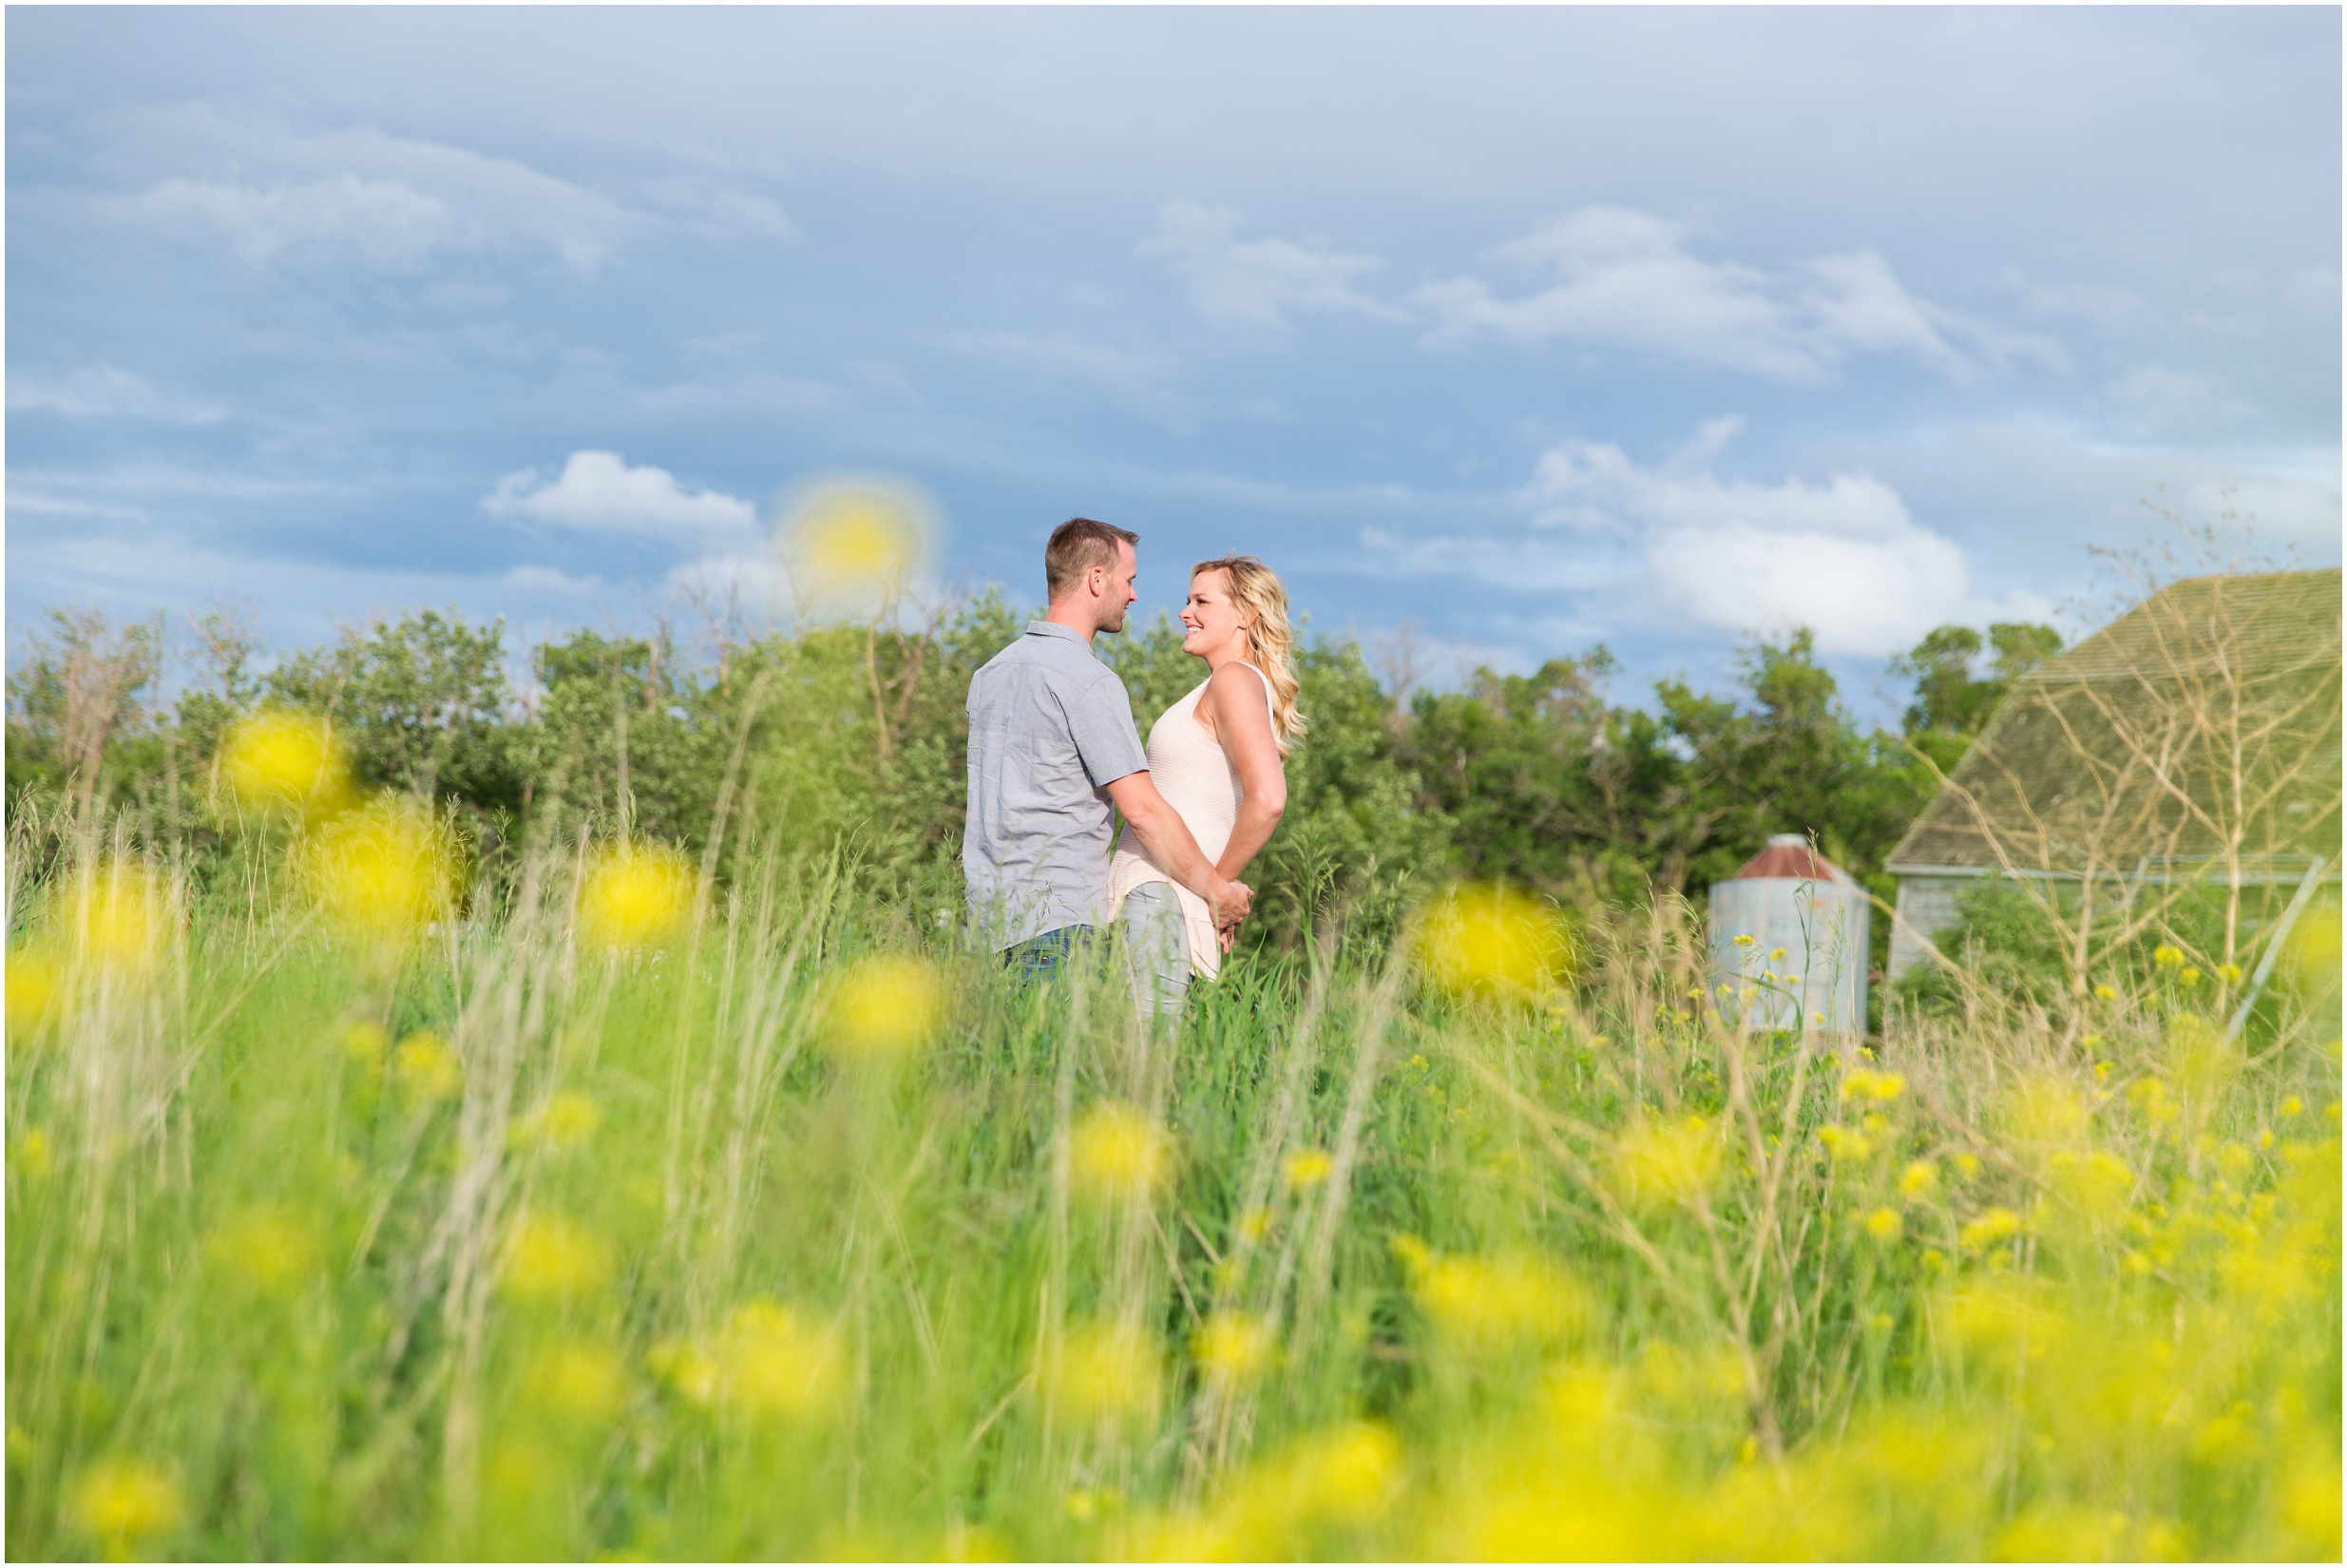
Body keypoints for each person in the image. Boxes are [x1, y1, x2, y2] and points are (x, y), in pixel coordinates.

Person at [964, 518, 1250, 981]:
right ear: (1097, 580)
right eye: (1129, 581)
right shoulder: (1088, 680)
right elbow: (1144, 812)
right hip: (1061, 927)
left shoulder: (990, 675)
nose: (1133, 595)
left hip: (987, 928)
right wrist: (1219, 892)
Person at [1107, 555, 1304, 1015]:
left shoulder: (1233, 680)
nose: (1184, 612)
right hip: (1169, 899)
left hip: (1160, 896)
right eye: (1187, 599)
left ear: (1246, 614)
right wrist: (1218, 890)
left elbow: (1270, 799)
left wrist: (1218, 889)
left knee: (1142, 1060)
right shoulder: (1229, 685)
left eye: (1201, 601)